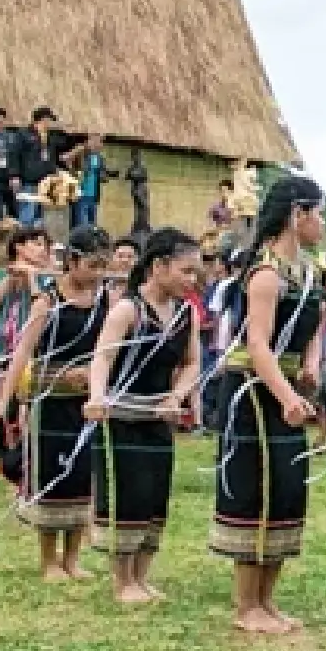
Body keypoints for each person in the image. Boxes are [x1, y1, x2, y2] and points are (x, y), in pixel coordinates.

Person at [211, 177, 326, 634]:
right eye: (318, 213)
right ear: (296, 216)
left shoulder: (308, 272)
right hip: (254, 392)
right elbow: (257, 345)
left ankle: (267, 599)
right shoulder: (264, 273)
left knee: (286, 488)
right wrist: (286, 396)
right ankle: (247, 606)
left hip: (288, 386)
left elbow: (316, 327)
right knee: (254, 489)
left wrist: (311, 368)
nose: (323, 223)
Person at [87, 227, 202, 604]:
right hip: (122, 417)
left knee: (155, 496)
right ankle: (123, 581)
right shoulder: (128, 310)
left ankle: (142, 576)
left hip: (158, 418)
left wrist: (178, 396)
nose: (192, 280)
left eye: (195, 272)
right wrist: (97, 396)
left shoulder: (186, 314)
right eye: (186, 271)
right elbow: (103, 356)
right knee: (128, 495)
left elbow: (191, 364)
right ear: (158, 266)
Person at [0, 225, 111, 582]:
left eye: (102, 267)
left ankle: (73, 557)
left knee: (82, 474)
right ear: (72, 261)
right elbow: (23, 353)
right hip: (48, 401)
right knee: (51, 475)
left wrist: (92, 376)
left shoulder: (105, 302)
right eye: (92, 265)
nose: (97, 274)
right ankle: (49, 558)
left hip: (86, 404)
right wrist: (4, 400)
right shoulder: (46, 301)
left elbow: (109, 352)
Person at [69, 136, 116, 230]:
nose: (100, 145)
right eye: (98, 141)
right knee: (81, 225)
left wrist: (110, 174)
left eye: (101, 142)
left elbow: (102, 173)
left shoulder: (100, 158)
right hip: (81, 195)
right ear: (89, 142)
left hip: (94, 196)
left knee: (92, 225)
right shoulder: (80, 156)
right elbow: (73, 169)